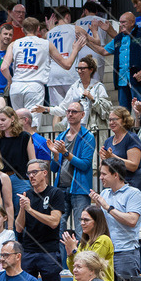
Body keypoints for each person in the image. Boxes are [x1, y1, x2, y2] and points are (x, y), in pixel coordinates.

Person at [15, 160, 65, 281]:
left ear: (45, 173)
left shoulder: (55, 193)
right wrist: (22, 208)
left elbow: (54, 222)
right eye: (28, 173)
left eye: (34, 172)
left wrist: (30, 210)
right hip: (28, 251)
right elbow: (19, 227)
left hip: (49, 251)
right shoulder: (25, 196)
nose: (31, 176)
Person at [2, 17, 85, 127]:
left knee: (18, 125)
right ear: (38, 29)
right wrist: (75, 50)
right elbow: (67, 65)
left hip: (16, 86)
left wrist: (10, 80)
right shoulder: (46, 43)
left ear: (22, 30)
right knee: (32, 126)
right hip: (34, 86)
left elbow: (3, 67)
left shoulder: (14, 44)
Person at [46, 101, 97, 235]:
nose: (70, 114)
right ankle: (62, 256)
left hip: (79, 189)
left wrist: (65, 153)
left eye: (74, 112)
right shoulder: (61, 137)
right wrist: (56, 156)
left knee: (82, 230)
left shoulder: (88, 137)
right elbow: (54, 169)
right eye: (68, 111)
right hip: (61, 187)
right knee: (59, 228)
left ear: (82, 115)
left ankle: (82, 256)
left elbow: (85, 164)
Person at [88, 12, 141, 108]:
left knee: (140, 108)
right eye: (120, 22)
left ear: (132, 22)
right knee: (123, 111)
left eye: (124, 22)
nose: (121, 25)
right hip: (122, 80)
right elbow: (103, 51)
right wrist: (86, 42)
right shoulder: (118, 38)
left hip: (138, 78)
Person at [39, 54, 111, 131]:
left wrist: (92, 98)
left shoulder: (98, 87)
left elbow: (106, 110)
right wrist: (46, 109)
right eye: (78, 68)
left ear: (91, 70)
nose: (80, 71)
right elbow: (63, 108)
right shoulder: (74, 87)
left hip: (92, 128)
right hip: (74, 128)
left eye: (83, 68)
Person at [63, 205, 115, 281]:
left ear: (97, 222)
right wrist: (70, 254)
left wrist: (74, 250)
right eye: (81, 219)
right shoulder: (84, 243)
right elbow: (75, 270)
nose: (82, 223)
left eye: (86, 220)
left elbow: (90, 265)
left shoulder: (103, 240)